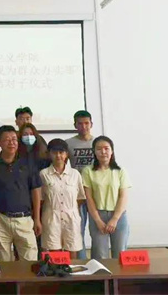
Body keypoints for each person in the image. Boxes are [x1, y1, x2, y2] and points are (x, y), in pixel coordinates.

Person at [0, 125, 42, 262]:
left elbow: (36, 190)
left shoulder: (28, 163)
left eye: (14, 139)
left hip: (24, 219)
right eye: (7, 140)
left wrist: (37, 218)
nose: (12, 143)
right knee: (3, 262)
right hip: (0, 219)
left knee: (30, 261)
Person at [82, 136, 131, 259]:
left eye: (106, 148)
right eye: (99, 149)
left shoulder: (120, 171)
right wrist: (98, 220)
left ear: (112, 151)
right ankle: (101, 273)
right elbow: (89, 198)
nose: (103, 152)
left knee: (120, 253)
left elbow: (123, 196)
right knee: (100, 254)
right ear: (94, 152)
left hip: (119, 215)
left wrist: (115, 218)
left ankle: (118, 274)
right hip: (97, 215)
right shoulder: (88, 171)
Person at [40, 139, 85, 258]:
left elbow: (80, 198)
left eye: (61, 152)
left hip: (71, 217)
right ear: (49, 154)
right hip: (51, 217)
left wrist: (69, 208)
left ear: (66, 154)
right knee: (54, 253)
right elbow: (41, 199)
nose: (58, 155)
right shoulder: (43, 174)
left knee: (72, 251)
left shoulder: (75, 174)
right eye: (54, 152)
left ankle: (71, 270)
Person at [65, 110, 95, 259]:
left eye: (86, 123)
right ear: (75, 125)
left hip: (96, 192)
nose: (83, 126)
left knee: (97, 230)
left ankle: (97, 263)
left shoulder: (98, 142)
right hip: (77, 193)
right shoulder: (68, 143)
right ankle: (82, 262)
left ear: (91, 124)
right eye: (80, 124)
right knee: (78, 230)